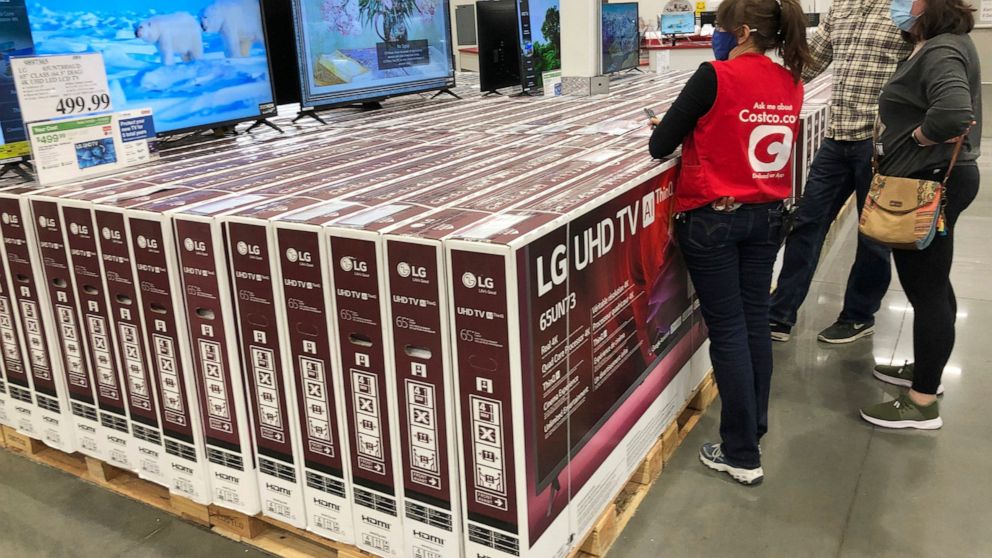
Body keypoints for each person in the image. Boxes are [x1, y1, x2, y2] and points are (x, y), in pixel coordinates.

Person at [647, 0, 810, 485]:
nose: (713, 35)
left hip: (713, 221)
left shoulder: (713, 77)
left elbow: (660, 145)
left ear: (740, 32)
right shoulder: (791, 81)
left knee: (729, 331)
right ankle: (752, 432)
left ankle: (740, 453)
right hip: (767, 218)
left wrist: (677, 127)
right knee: (754, 322)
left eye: (718, 28)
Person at [860, 0, 981, 429]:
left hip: (928, 183)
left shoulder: (942, 48)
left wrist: (917, 138)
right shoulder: (939, 44)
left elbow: (953, 112)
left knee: (925, 289)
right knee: (933, 282)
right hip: (933, 179)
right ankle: (928, 368)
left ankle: (922, 401)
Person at [768, 0, 913, 344]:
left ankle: (858, 316)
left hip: (881, 143)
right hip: (837, 138)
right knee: (806, 224)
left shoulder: (906, 9)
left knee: (874, 237)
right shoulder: (842, 7)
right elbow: (809, 62)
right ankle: (778, 314)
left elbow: (923, 69)